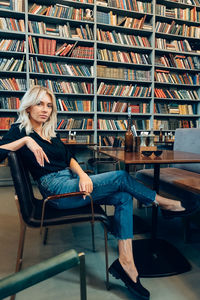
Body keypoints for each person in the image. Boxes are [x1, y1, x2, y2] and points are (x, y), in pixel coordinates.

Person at [0, 86, 198, 300]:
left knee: (123, 196)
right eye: (39, 104)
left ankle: (127, 264)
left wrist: (83, 176)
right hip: (56, 192)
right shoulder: (20, 130)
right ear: (28, 106)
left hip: (73, 182)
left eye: (49, 105)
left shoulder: (49, 134)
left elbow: (69, 158)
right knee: (121, 177)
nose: (45, 109)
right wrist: (26, 141)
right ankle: (165, 204)